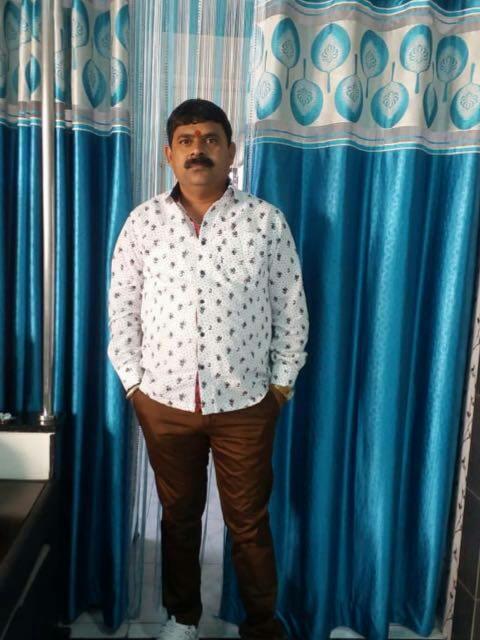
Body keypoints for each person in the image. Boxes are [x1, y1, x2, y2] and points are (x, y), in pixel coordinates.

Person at [107, 99, 309, 640]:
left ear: (231, 151)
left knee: (249, 523)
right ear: (168, 154)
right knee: (179, 518)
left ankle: (261, 625)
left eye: (211, 139)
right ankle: (183, 619)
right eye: (187, 140)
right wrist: (134, 384)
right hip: (164, 403)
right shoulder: (143, 224)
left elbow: (291, 308)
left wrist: (281, 385)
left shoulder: (265, 222)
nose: (199, 149)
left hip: (246, 404)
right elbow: (122, 308)